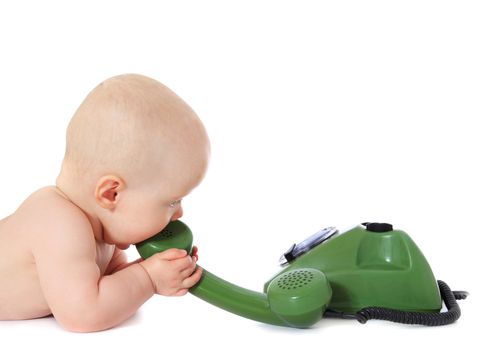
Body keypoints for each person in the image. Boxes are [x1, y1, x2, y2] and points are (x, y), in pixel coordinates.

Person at [0, 74, 210, 332]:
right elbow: (83, 313)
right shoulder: (60, 225)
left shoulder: (98, 234)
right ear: (112, 194)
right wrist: (148, 278)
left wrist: (159, 269)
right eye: (171, 201)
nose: (179, 213)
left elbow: (109, 285)